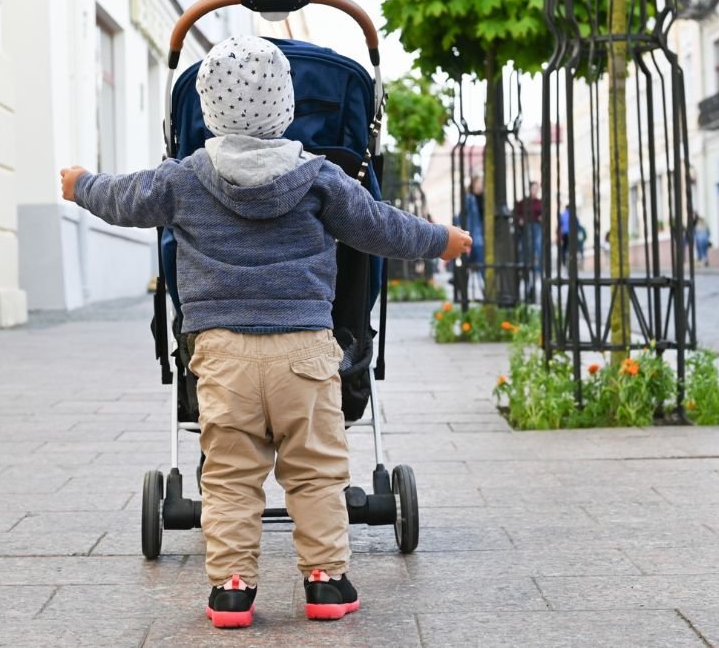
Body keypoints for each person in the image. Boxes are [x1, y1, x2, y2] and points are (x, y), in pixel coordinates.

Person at [59, 35, 471, 629]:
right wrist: (442, 240)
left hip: (222, 355)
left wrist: (80, 185)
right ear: (287, 108)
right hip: (304, 352)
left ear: (205, 110)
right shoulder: (321, 177)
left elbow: (124, 198)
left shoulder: (182, 177)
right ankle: (325, 582)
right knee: (317, 472)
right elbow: (380, 228)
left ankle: (231, 588)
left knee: (228, 476)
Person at [515, 181, 544, 275]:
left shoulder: (540, 202)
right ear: (530, 189)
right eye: (534, 188)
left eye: (537, 189)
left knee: (538, 247)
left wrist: (541, 217)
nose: (535, 191)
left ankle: (538, 270)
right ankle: (527, 270)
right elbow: (517, 212)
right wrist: (520, 219)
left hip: (537, 226)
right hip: (527, 226)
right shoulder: (524, 202)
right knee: (527, 247)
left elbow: (544, 213)